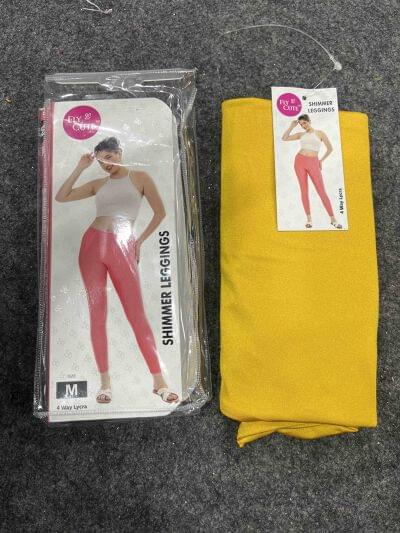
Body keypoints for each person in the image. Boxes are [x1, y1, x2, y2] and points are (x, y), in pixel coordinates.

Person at [55, 136, 179, 405]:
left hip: (122, 247)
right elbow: (61, 197)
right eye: (101, 161)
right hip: (91, 245)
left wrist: (139, 240)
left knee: (137, 316)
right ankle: (105, 383)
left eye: (109, 158)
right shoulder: (98, 184)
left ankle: (159, 382)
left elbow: (160, 213)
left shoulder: (140, 177)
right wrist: (80, 167)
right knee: (97, 313)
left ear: (120, 153)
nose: (105, 164)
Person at [282, 114, 342, 229]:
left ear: (309, 121)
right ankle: (309, 219)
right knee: (304, 190)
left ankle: (333, 219)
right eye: (301, 124)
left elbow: (330, 149)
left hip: (313, 162)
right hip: (299, 161)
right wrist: (291, 126)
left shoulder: (320, 133)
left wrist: (321, 160)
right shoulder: (301, 134)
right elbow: (284, 138)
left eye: (304, 123)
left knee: (321, 191)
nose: (303, 126)